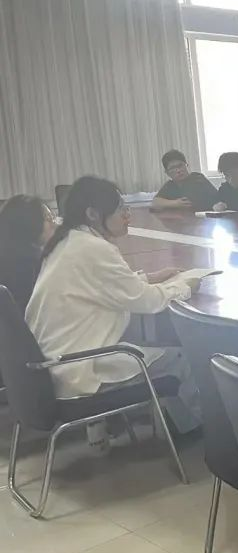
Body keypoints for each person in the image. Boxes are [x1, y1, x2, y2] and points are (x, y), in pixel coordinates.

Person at [26, 176, 203, 452]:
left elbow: (102, 286)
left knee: (142, 340)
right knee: (183, 358)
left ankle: (175, 427)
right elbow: (148, 302)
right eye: (120, 208)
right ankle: (200, 436)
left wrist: (148, 277)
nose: (126, 214)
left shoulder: (68, 242)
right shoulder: (93, 248)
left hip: (54, 367)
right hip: (78, 369)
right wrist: (186, 285)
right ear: (93, 214)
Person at [0, 195, 56, 311]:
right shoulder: (30, 263)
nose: (54, 224)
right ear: (27, 223)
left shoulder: (8, 254)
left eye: (53, 217)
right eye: (48, 218)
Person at [151, 149, 218, 212]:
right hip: (182, 219)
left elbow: (217, 198)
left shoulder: (197, 178)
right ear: (167, 173)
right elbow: (155, 203)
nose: (178, 170)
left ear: (186, 165)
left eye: (180, 165)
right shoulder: (170, 185)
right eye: (173, 168)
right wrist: (175, 203)